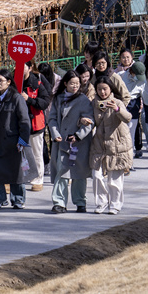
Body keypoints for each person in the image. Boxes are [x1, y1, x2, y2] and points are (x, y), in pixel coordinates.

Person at [47, 71, 95, 213]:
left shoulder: (83, 100)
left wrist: (79, 135)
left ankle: (80, 202)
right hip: (62, 142)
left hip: (78, 143)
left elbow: (89, 121)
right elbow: (52, 119)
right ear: (65, 84)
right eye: (72, 83)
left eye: (77, 83)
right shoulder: (58, 99)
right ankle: (59, 202)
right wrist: (55, 134)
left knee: (79, 173)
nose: (75, 86)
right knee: (62, 171)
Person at [0, 69, 32, 209]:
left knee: (16, 171)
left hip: (13, 141)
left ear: (9, 82)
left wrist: (22, 140)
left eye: (1, 81)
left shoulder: (16, 98)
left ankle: (18, 199)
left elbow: (24, 121)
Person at [89, 76, 133, 214]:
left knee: (114, 179)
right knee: (97, 176)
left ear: (110, 89)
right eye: (99, 89)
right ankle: (101, 203)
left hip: (117, 145)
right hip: (99, 145)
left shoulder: (117, 101)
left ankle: (115, 204)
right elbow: (91, 118)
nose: (102, 92)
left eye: (105, 89)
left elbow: (128, 118)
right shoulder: (93, 103)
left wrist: (117, 109)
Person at [20, 61, 52, 192]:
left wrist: (29, 99)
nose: (20, 69)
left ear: (30, 67)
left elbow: (45, 102)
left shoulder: (37, 82)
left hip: (35, 124)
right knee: (22, 153)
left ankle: (38, 178)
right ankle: (24, 176)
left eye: (23, 66)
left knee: (36, 152)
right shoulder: (14, 83)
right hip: (20, 124)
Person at [118, 61, 146, 158]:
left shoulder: (142, 80)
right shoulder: (121, 75)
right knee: (122, 131)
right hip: (122, 104)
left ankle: (130, 156)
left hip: (134, 104)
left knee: (131, 132)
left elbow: (144, 94)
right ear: (131, 71)